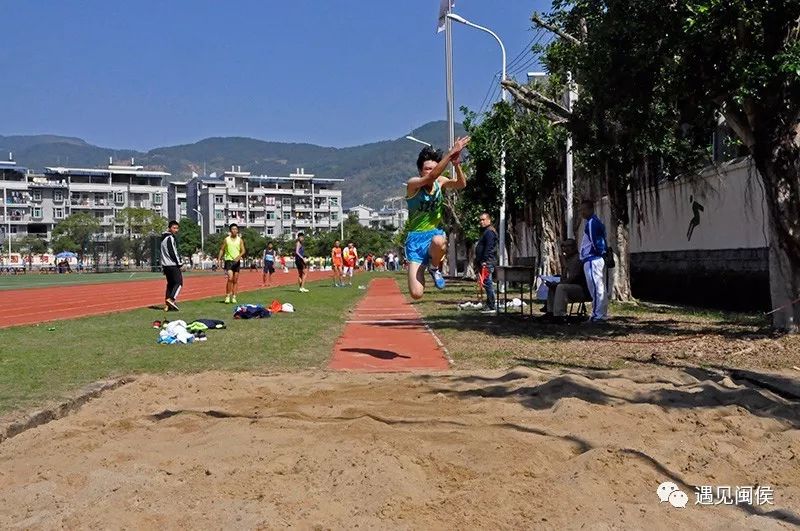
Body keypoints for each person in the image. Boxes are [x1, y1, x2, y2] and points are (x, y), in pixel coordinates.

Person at [405, 137, 470, 299]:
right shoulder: (413, 184)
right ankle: (423, 266)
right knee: (416, 294)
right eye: (427, 169)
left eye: (433, 168)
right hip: (415, 240)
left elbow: (461, 184)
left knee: (439, 240)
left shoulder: (439, 182)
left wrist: (456, 163)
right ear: (420, 171)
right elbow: (431, 177)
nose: (431, 172)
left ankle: (434, 268)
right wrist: (451, 152)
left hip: (433, 236)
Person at [543, 239, 590, 323]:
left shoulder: (577, 259)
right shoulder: (568, 259)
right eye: (563, 246)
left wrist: (558, 283)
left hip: (581, 289)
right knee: (553, 287)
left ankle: (559, 315)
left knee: (561, 287)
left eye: (568, 246)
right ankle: (550, 312)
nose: (565, 249)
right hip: (571, 286)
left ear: (574, 247)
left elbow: (572, 278)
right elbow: (565, 277)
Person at [579, 199, 608, 322]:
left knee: (596, 288)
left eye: (584, 209)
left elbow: (595, 241)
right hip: (594, 259)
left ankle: (597, 315)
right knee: (598, 287)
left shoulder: (592, 223)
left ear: (591, 209)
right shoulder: (594, 222)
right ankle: (600, 314)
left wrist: (599, 252)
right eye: (581, 210)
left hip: (593, 259)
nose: (582, 212)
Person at [475, 212, 498, 313]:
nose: (481, 222)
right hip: (484, 261)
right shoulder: (486, 231)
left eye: (483, 220)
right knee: (486, 283)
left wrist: (484, 260)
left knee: (488, 283)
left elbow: (489, 248)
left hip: (487, 262)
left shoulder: (489, 232)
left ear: (489, 220)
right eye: (480, 220)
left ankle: (491, 305)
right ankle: (489, 304)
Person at [218, 223, 245, 304]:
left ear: (237, 230)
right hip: (228, 260)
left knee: (235, 280)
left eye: (236, 229)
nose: (234, 230)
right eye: (233, 229)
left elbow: (243, 250)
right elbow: (222, 249)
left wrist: (238, 257)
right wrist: (219, 259)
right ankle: (227, 296)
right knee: (230, 278)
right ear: (230, 230)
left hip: (237, 261)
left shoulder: (240, 240)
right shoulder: (226, 239)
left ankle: (234, 297)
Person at [160, 220, 182, 311]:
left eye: (177, 228)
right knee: (179, 283)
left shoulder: (162, 239)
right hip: (172, 264)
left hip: (165, 265)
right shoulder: (170, 238)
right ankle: (171, 299)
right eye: (174, 228)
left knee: (170, 285)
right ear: (169, 228)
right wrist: (179, 263)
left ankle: (167, 305)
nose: (176, 230)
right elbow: (173, 252)